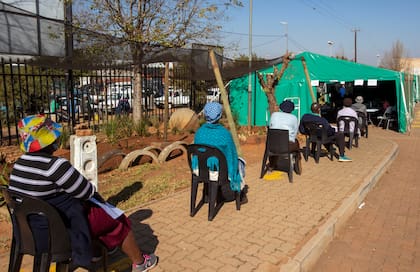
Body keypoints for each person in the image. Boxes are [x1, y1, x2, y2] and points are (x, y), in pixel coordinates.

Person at [8, 114, 157, 272]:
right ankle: (140, 262)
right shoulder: (56, 166)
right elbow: (87, 192)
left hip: (30, 232)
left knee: (92, 214)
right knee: (116, 220)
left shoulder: (19, 166)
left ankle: (95, 252)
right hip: (60, 232)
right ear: (50, 141)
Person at [193, 102, 248, 202]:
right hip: (220, 172)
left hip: (202, 170)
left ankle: (208, 191)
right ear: (219, 116)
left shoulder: (199, 132)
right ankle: (239, 194)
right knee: (239, 162)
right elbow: (232, 155)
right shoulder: (224, 134)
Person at [269, 100, 301, 169]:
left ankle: (271, 165)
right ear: (292, 109)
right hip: (287, 146)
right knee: (297, 143)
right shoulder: (294, 118)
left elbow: (270, 127)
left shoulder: (274, 115)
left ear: (281, 107)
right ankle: (297, 164)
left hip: (272, 145)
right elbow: (294, 134)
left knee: (276, 141)